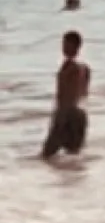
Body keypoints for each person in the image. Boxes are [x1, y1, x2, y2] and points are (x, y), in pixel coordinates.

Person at [40, 28, 89, 161]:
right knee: (73, 156)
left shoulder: (69, 67)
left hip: (66, 113)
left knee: (47, 155)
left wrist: (60, 114)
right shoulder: (85, 68)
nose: (63, 48)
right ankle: (72, 180)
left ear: (75, 47)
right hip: (79, 113)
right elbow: (84, 93)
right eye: (63, 44)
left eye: (66, 45)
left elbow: (62, 93)